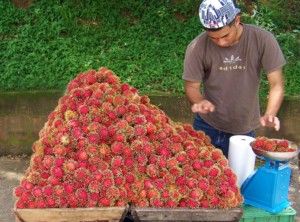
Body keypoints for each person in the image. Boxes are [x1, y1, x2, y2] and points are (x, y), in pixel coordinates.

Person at [183, 0, 285, 158]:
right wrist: (199, 101)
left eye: (225, 36)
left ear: (237, 19)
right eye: (213, 38)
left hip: (243, 128)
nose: (220, 42)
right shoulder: (197, 47)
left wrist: (270, 113)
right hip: (207, 124)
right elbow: (191, 87)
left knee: (240, 177)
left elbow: (276, 84)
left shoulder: (263, 40)